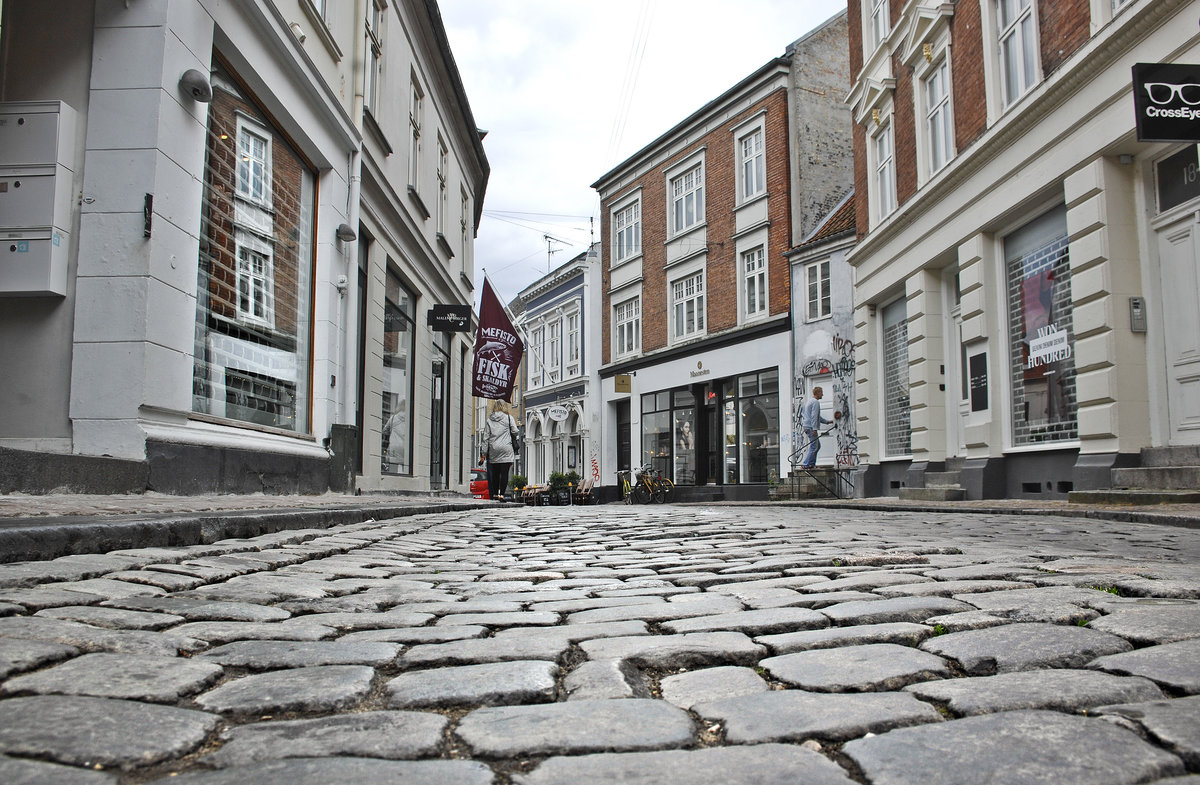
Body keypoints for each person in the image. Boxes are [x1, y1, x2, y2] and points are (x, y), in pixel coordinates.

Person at [481, 400, 520, 501]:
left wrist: (484, 453)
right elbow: (515, 431)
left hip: (494, 449)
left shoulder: (489, 420)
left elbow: (485, 437)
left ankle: (494, 494)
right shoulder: (508, 418)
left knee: (495, 473)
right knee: (504, 473)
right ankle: (501, 494)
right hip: (506, 448)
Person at [799, 386, 840, 469]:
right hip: (810, 427)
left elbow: (817, 416)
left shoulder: (810, 401)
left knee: (817, 446)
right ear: (817, 393)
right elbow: (814, 416)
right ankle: (806, 464)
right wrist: (814, 428)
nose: (823, 394)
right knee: (814, 446)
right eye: (821, 392)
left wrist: (827, 422)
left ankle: (811, 464)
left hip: (807, 426)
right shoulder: (815, 402)